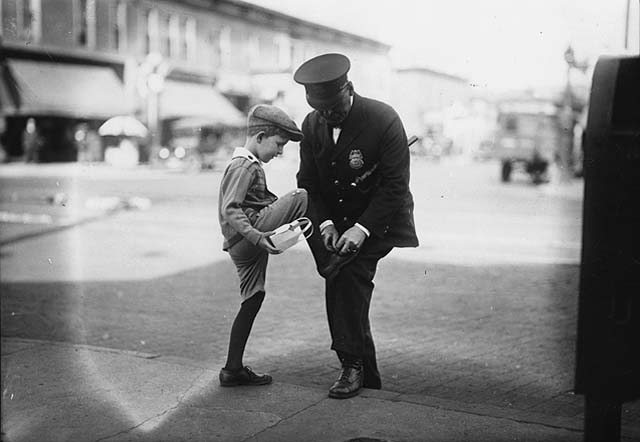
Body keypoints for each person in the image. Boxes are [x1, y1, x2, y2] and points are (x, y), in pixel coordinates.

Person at [294, 53, 419, 399]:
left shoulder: (383, 118)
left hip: (381, 220)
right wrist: (328, 225)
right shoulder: (311, 125)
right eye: (321, 111)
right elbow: (309, 184)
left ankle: (351, 365)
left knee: (347, 274)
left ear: (349, 89)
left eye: (333, 109)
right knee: (338, 275)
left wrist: (361, 228)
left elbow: (395, 186)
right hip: (336, 223)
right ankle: (369, 377)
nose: (327, 116)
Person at [218, 104, 306, 387]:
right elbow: (230, 209)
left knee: (253, 299)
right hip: (247, 239)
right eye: (278, 144)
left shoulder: (248, 164)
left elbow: (253, 202)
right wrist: (260, 237)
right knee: (302, 196)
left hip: (241, 243)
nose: (280, 151)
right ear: (260, 137)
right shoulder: (244, 165)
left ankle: (232, 369)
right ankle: (327, 257)